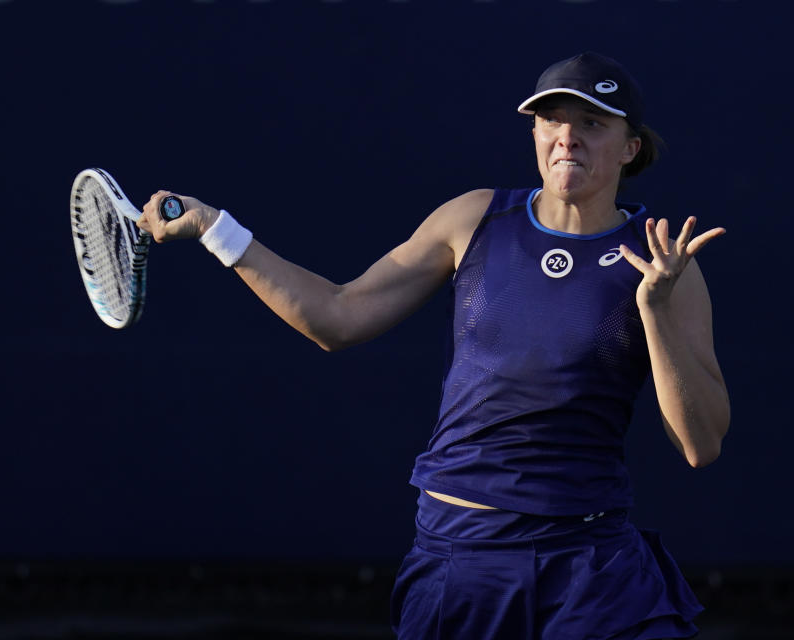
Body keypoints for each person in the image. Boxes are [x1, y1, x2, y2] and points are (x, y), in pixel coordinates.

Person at [137, 51, 730, 640]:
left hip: (591, 571)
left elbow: (700, 444)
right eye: (552, 121)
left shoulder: (664, 264)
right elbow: (335, 318)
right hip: (462, 560)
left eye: (593, 124)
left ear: (630, 147)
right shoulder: (474, 218)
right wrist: (216, 228)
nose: (568, 138)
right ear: (534, 132)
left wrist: (654, 312)